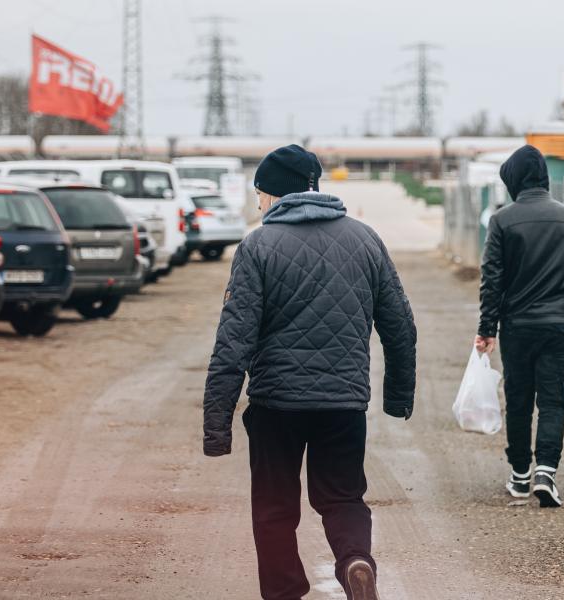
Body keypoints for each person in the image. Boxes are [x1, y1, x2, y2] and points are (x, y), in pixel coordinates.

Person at [203, 144, 417, 600]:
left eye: (260, 193)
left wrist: (217, 424)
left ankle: (284, 593)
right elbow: (400, 327)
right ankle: (356, 560)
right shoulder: (365, 239)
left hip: (276, 404)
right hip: (343, 402)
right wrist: (397, 396)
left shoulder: (257, 246)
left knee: (275, 507)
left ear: (276, 194)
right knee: (343, 497)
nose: (258, 203)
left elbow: (233, 341)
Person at [475, 145, 564, 508]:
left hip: (517, 327)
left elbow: (492, 279)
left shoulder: (502, 220)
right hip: (560, 326)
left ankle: (519, 475)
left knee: (518, 400)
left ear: (513, 180)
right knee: (554, 400)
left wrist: (488, 328)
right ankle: (546, 470)